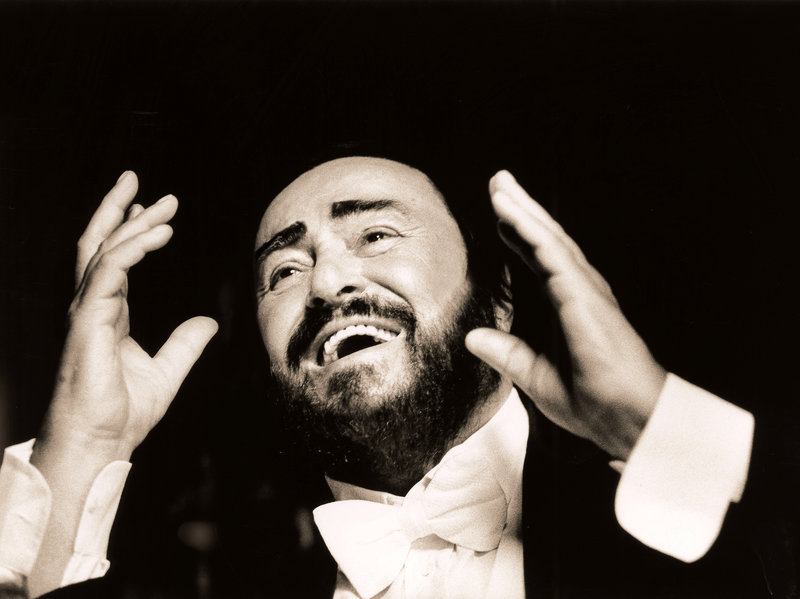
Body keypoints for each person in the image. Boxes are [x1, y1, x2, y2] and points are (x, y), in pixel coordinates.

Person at [0, 156, 761, 598]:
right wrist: (84, 445)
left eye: (375, 233)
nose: (327, 282)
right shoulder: (234, 582)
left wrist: (652, 429)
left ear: (498, 296)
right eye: (283, 271)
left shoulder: (675, 522)